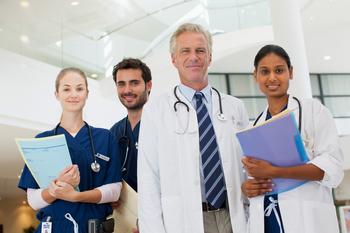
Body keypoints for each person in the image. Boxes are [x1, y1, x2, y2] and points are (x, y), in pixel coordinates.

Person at [137, 23, 249, 233]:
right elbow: (148, 179)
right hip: (183, 220)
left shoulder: (235, 107)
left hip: (232, 216)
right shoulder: (155, 111)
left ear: (210, 57)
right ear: (174, 59)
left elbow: (247, 166)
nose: (193, 57)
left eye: (200, 50)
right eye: (185, 51)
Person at [241, 44, 344, 233]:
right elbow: (252, 179)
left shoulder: (314, 111)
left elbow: (333, 168)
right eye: (265, 71)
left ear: (291, 72)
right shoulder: (252, 128)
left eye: (279, 70)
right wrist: (247, 188)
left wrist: (275, 171)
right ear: (255, 76)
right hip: (268, 221)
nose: (272, 77)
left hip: (306, 222)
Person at [18, 67, 122, 233]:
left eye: (79, 89)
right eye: (66, 89)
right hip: (53, 227)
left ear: (87, 93)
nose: (73, 94)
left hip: (92, 226)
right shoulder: (42, 141)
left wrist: (75, 196)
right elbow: (34, 201)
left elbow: (114, 192)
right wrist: (56, 188)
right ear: (57, 94)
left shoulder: (105, 137)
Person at [110, 58, 152, 192]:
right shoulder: (114, 132)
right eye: (121, 84)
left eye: (134, 83)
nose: (127, 90)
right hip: (125, 208)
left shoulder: (163, 125)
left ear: (148, 85)